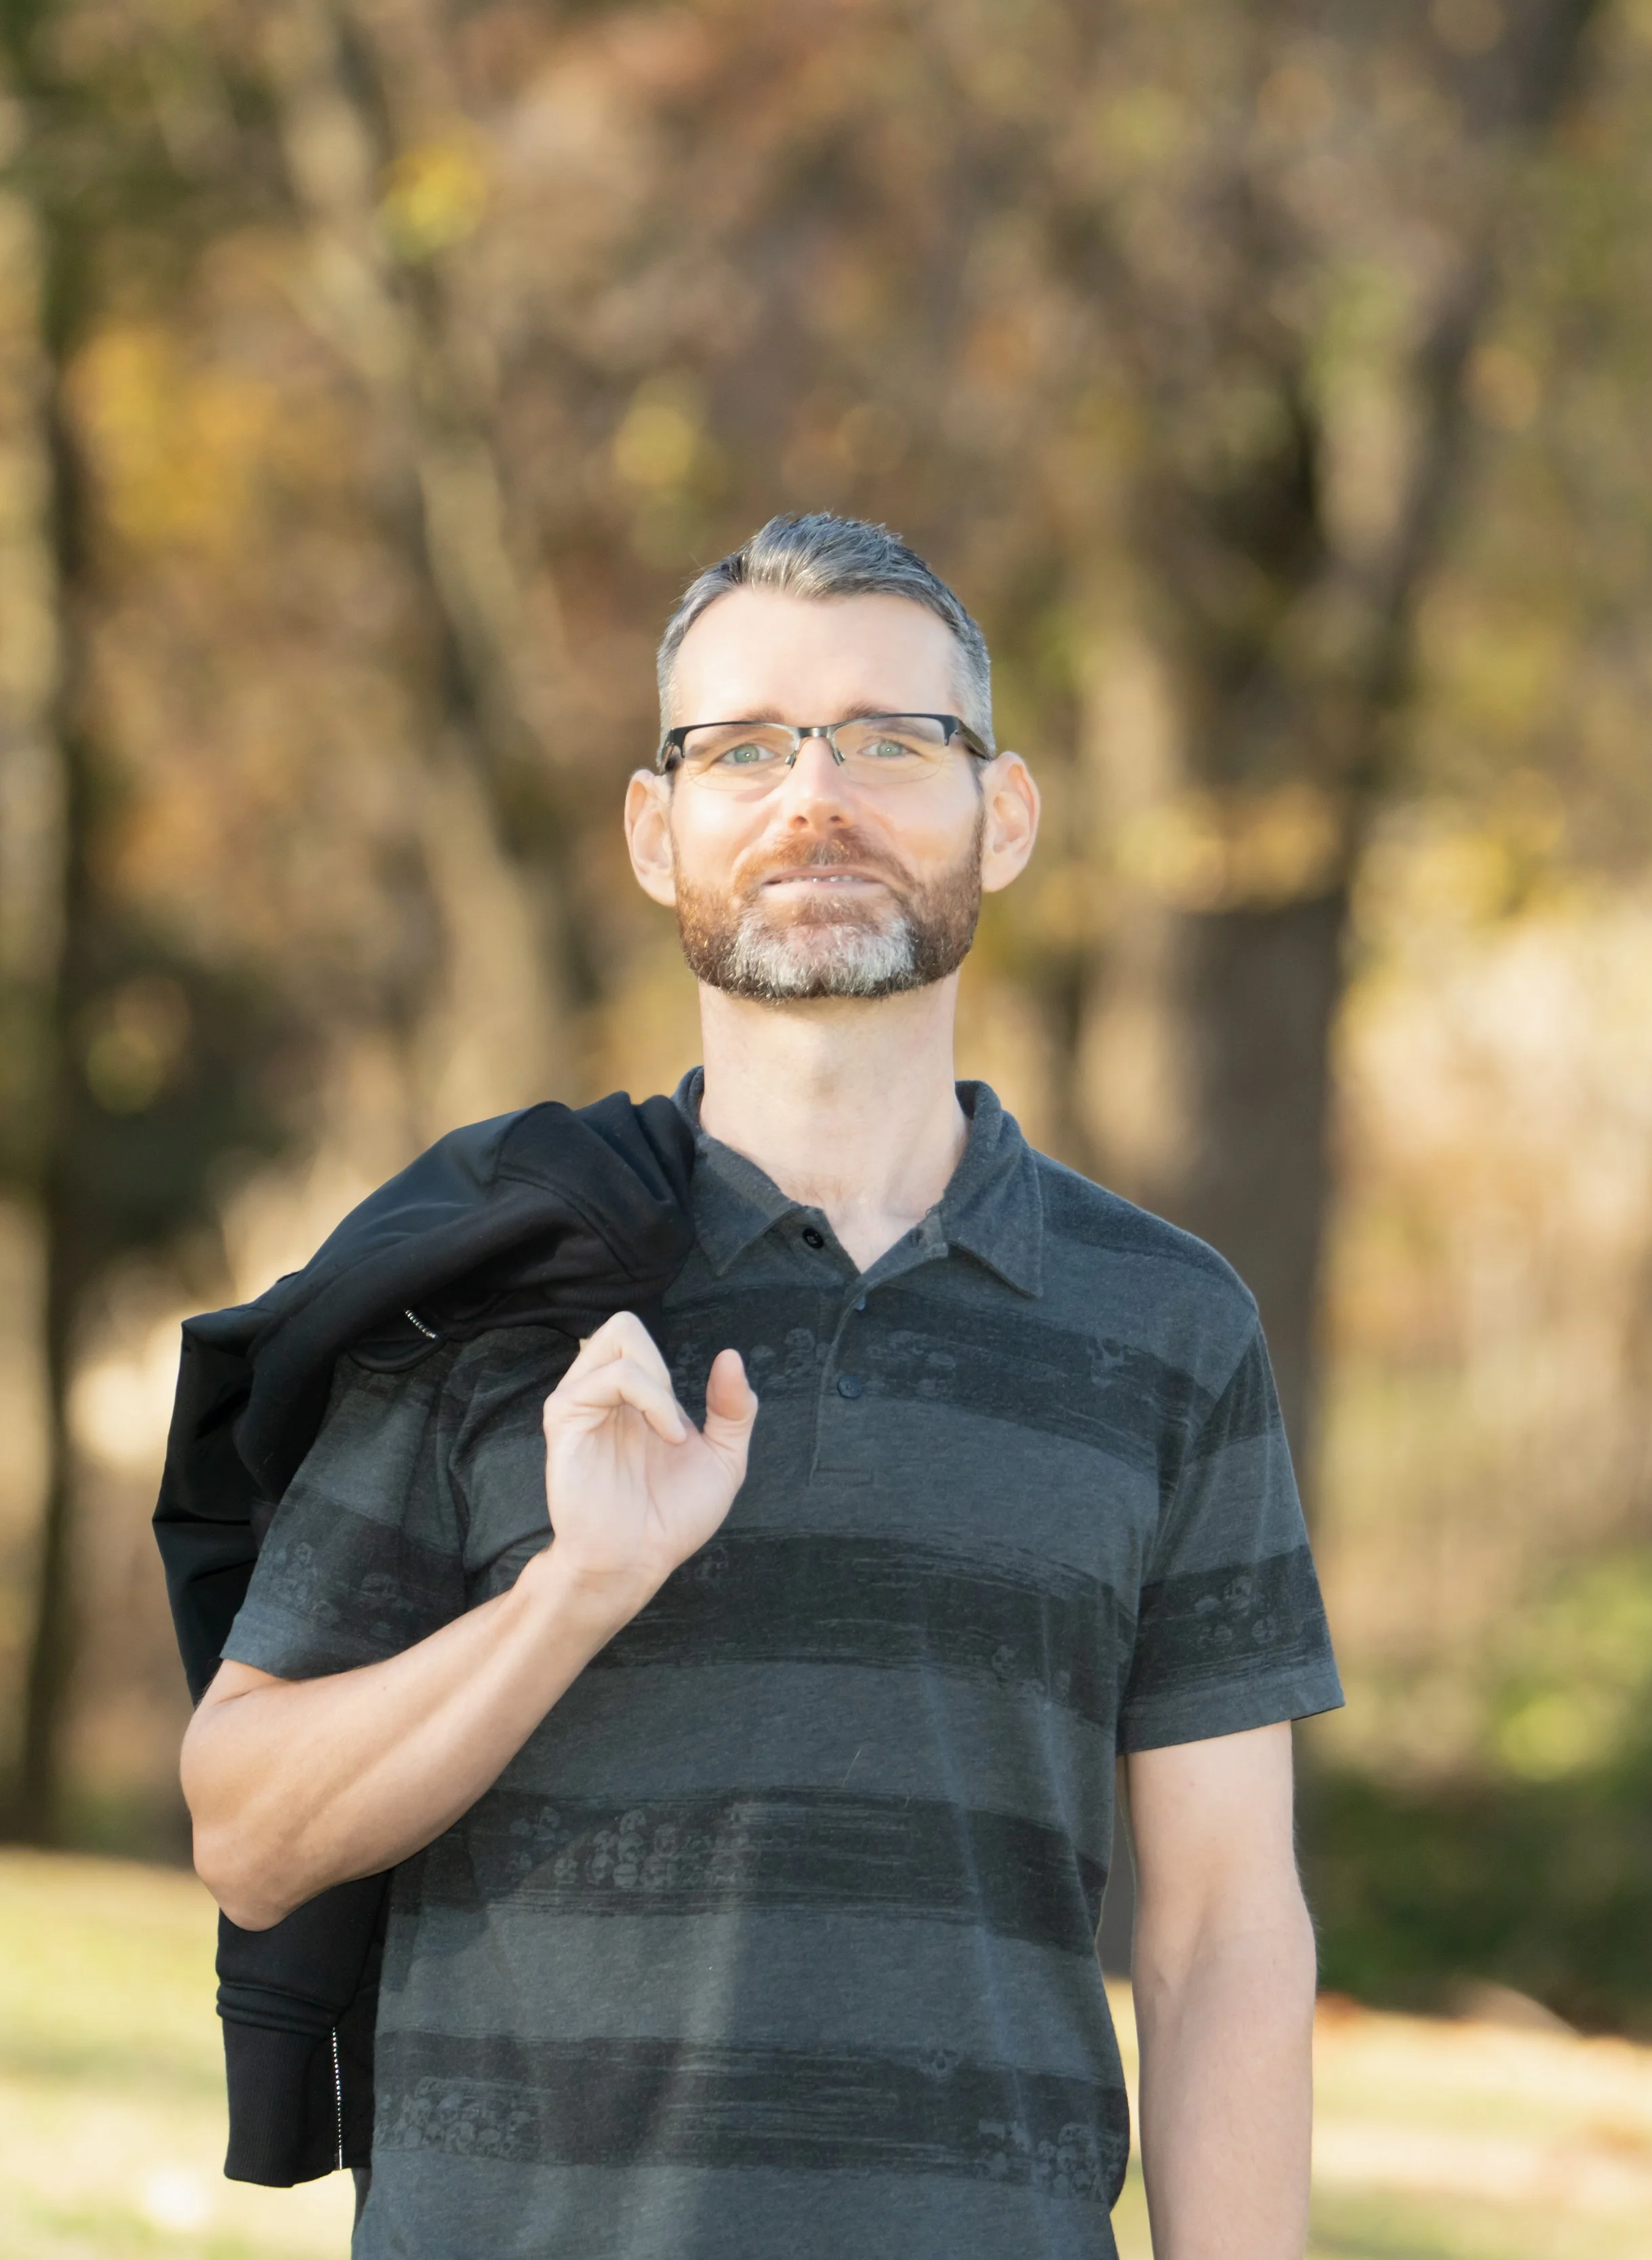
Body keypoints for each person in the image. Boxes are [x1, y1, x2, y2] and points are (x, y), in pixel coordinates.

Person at [181, 512, 1343, 2259]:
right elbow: (248, 1834)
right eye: (742, 749)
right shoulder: (498, 1282)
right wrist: (572, 1595)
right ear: (658, 835)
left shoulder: (1169, 1324)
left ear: (1005, 815)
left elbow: (1224, 1931)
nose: (816, 797)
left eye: (891, 742)